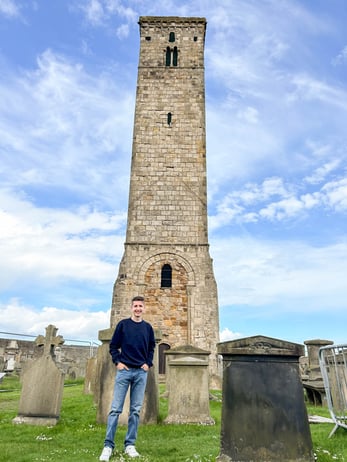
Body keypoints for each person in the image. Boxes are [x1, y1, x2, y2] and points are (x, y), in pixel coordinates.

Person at [99, 296, 155, 461]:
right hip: (125, 371)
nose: (138, 308)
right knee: (115, 409)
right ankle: (108, 446)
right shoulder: (123, 325)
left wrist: (148, 363)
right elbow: (113, 346)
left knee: (135, 411)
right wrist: (118, 362)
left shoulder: (148, 328)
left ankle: (130, 445)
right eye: (135, 306)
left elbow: (152, 347)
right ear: (131, 308)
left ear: (144, 308)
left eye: (140, 306)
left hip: (140, 372)